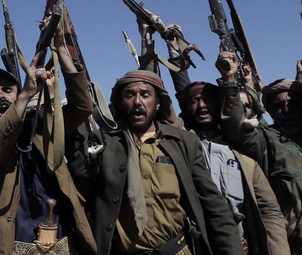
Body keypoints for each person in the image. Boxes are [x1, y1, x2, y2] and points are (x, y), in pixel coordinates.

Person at [69, 69, 244, 255]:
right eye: (129, 94)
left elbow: (214, 207)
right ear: (120, 102)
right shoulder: (103, 143)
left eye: (145, 95)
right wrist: (72, 74)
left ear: (158, 103)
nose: (137, 102)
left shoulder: (184, 143)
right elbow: (80, 175)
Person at [0, 24, 97, 254]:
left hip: (64, 242)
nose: (1, 96)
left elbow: (82, 106)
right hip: (15, 245)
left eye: (7, 90)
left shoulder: (42, 125)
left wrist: (60, 50)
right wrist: (23, 96)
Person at [177, 53, 289, 254]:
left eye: (208, 99)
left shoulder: (242, 152)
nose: (202, 105)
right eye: (194, 101)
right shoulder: (181, 146)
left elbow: (269, 212)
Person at [221, 50, 302, 254]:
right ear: (270, 111)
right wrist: (229, 80)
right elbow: (235, 127)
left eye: (293, 103)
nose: (287, 110)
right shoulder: (266, 141)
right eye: (279, 105)